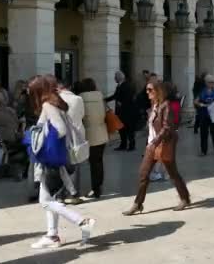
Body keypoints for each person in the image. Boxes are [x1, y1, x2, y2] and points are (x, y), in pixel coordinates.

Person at [26, 75, 95, 249]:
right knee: (52, 199)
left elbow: (61, 130)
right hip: (57, 158)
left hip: (50, 159)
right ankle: (52, 235)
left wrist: (41, 138)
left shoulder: (48, 105)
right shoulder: (57, 102)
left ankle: (82, 221)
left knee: (45, 201)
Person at [123, 80, 191, 215]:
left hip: (163, 143)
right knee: (143, 174)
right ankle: (138, 204)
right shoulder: (155, 104)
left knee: (173, 173)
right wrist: (151, 142)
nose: (147, 92)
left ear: (159, 91)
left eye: (150, 90)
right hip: (152, 144)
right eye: (146, 90)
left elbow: (167, 127)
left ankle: (184, 198)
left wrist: (155, 141)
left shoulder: (166, 106)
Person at [78, 78, 108, 199]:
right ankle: (99, 185)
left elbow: (80, 116)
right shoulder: (100, 96)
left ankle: (95, 189)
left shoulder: (81, 98)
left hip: (90, 134)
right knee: (99, 161)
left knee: (93, 163)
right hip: (102, 132)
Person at [106, 71, 136, 151]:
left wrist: (121, 103)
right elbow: (115, 96)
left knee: (129, 129)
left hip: (127, 112)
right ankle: (123, 144)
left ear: (118, 78)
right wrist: (105, 100)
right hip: (120, 112)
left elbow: (129, 97)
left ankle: (131, 145)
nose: (114, 78)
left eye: (115, 77)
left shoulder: (127, 85)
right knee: (121, 128)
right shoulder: (119, 86)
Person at [194, 74, 214, 156]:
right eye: (210, 82)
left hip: (213, 116)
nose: (212, 84)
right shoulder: (202, 91)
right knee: (203, 133)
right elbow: (195, 101)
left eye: (213, 82)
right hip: (204, 114)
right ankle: (203, 151)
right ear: (206, 82)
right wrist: (201, 104)